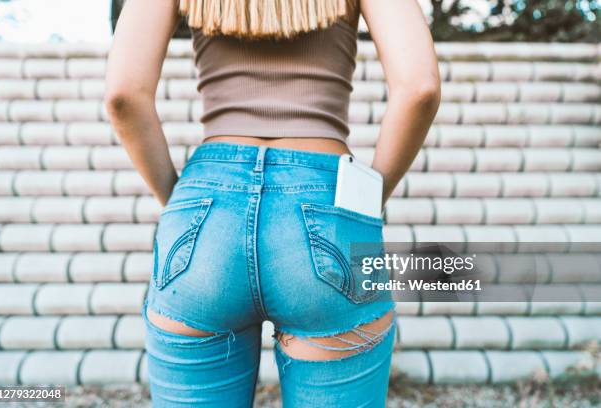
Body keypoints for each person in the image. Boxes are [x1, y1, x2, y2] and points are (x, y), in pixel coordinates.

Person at [105, 0, 440, 406]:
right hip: (325, 202)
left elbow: (123, 95)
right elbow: (419, 88)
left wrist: (179, 203)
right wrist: (361, 204)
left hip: (205, 214)